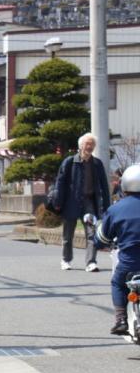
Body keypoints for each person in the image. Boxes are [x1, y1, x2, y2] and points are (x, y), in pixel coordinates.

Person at [52, 133, 111, 272]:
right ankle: (66, 260)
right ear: (81, 146)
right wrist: (58, 202)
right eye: (87, 144)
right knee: (68, 235)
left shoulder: (97, 164)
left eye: (92, 144)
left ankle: (91, 262)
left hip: (89, 203)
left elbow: (104, 186)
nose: (89, 147)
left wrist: (107, 206)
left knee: (91, 233)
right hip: (71, 202)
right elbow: (60, 183)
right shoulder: (69, 162)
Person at [96, 163, 140, 335]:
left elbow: (102, 238)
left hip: (130, 263)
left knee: (117, 283)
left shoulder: (115, 209)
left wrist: (99, 243)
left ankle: (121, 319)